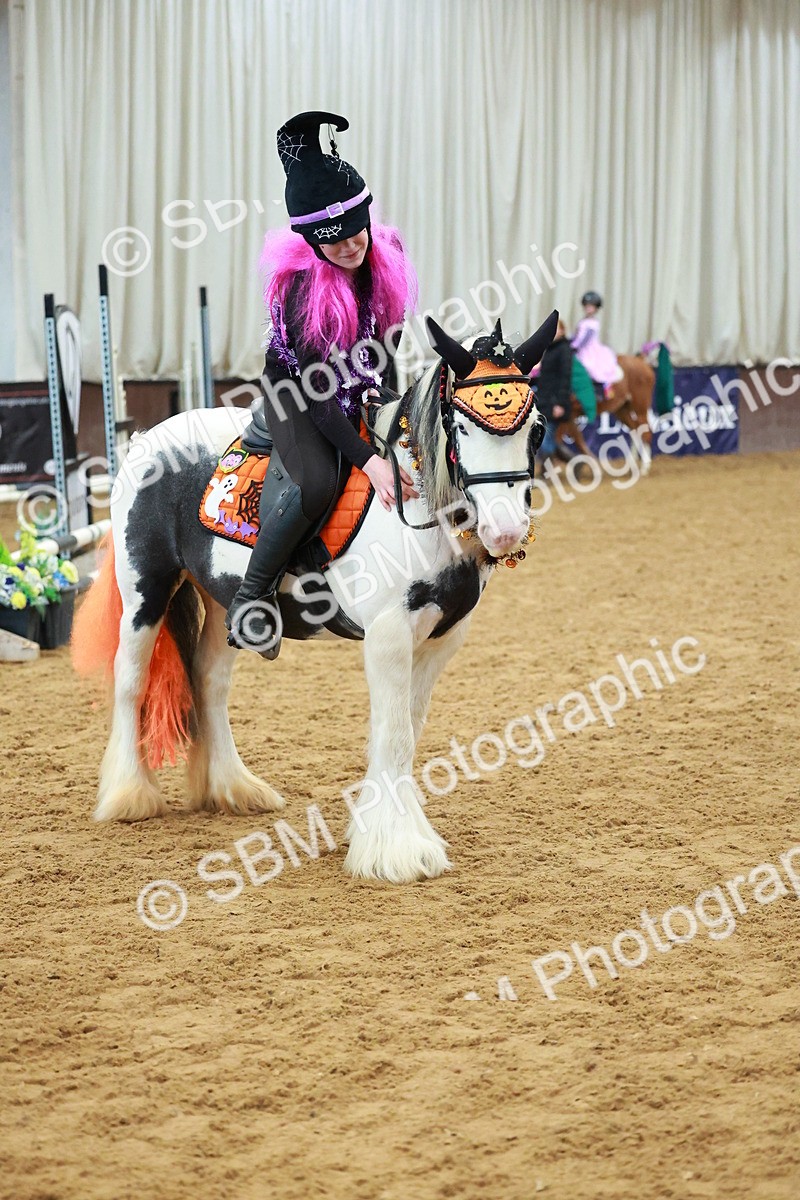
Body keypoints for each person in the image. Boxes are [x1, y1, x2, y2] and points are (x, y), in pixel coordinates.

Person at [225, 110, 419, 655]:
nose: (348, 248)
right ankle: (251, 597)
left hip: (354, 383)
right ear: (311, 242)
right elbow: (316, 393)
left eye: (353, 234)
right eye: (331, 243)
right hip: (298, 392)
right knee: (315, 480)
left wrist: (383, 394)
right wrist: (370, 458)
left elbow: (388, 338)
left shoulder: (387, 261)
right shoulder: (302, 291)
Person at [533, 318, 572, 461]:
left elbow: (565, 377)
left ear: (562, 331)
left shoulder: (563, 350)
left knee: (546, 438)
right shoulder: (550, 349)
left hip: (554, 401)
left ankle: (549, 469)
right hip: (545, 399)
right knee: (545, 437)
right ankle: (571, 462)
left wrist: (560, 403)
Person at [571, 291, 622, 397]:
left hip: (588, 350)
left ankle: (599, 391)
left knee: (589, 366)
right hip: (579, 347)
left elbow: (585, 339)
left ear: (596, 308)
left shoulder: (593, 323)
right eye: (587, 306)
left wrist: (574, 346)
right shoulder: (583, 321)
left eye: (591, 306)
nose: (588, 308)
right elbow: (577, 336)